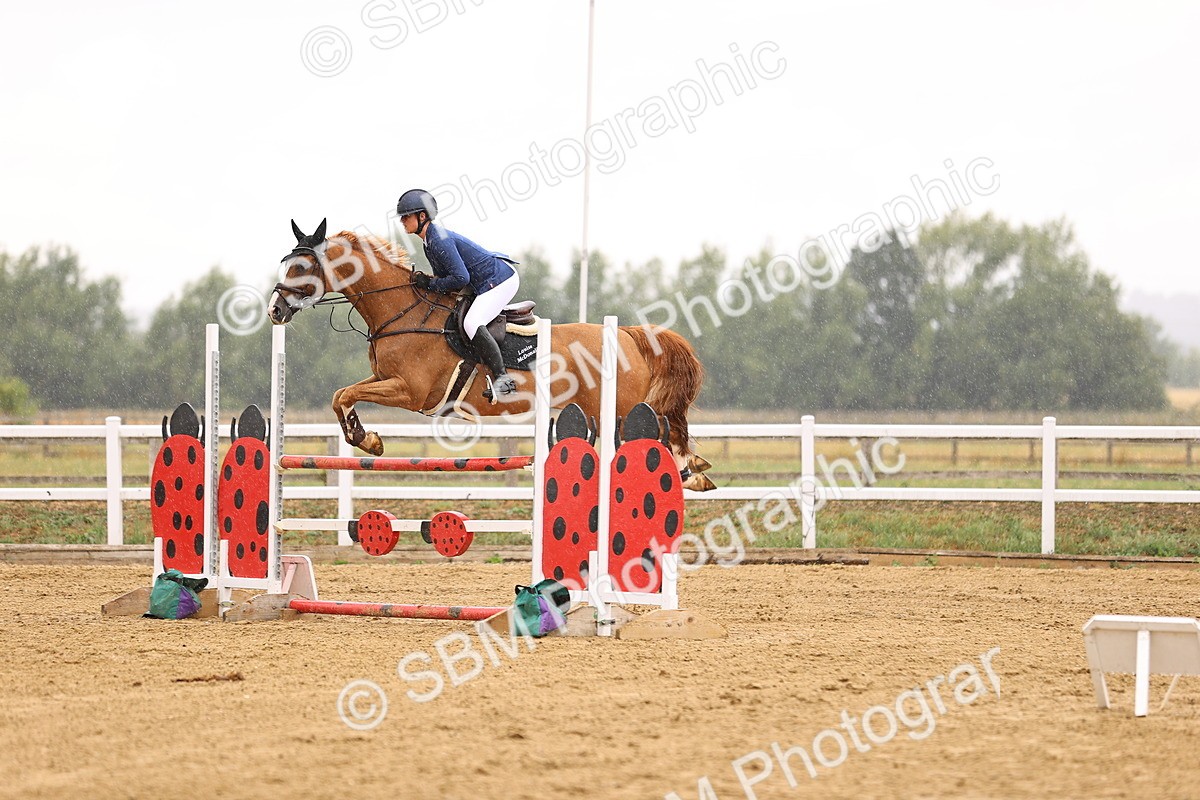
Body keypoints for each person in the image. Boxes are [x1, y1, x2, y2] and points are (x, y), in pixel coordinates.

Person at [397, 188, 521, 398]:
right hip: (483, 281)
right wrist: (428, 283)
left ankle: (504, 380)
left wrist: (430, 284)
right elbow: (446, 279)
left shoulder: (438, 240)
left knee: (471, 323)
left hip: (500, 280)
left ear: (422, 216)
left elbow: (461, 278)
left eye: (406, 216)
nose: (402, 221)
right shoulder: (429, 241)